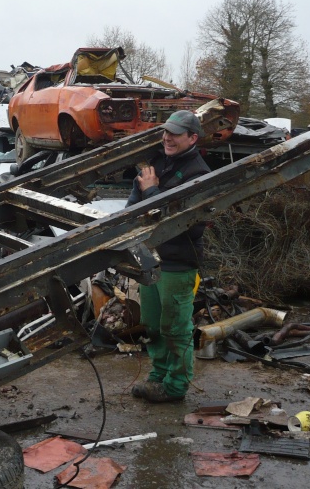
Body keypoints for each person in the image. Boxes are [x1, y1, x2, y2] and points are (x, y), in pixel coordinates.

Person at [126, 110, 210, 403]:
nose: (167, 137)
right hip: (149, 258)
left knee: (175, 327)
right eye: (166, 132)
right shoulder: (159, 160)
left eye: (175, 133)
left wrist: (151, 192)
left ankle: (175, 387)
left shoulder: (198, 175)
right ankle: (158, 376)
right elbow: (136, 199)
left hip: (177, 261)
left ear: (192, 138)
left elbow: (183, 223)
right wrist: (140, 200)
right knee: (152, 322)